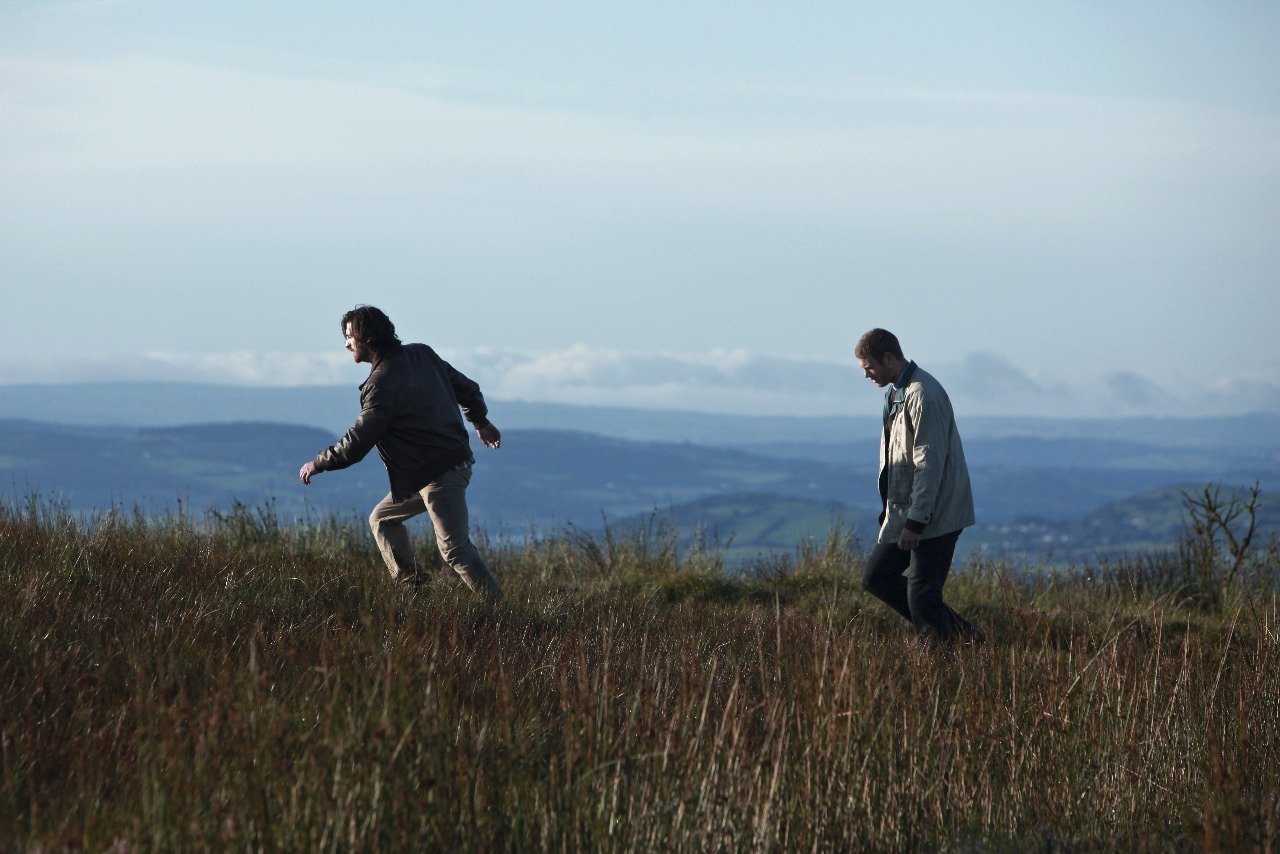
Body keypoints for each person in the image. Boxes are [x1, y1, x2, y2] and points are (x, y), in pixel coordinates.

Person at [299, 305, 502, 597]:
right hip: (435, 469)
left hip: (440, 474)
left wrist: (318, 463)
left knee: (455, 550)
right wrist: (481, 422)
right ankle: (415, 591)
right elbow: (468, 389)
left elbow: (357, 442)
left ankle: (499, 611)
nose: (346, 344)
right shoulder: (422, 354)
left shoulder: (381, 385)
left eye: (349, 336)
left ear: (366, 338)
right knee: (382, 519)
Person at [855, 328, 982, 645]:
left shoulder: (922, 395)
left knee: (922, 595)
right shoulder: (898, 393)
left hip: (936, 514)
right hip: (907, 511)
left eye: (869, 367)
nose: (867, 375)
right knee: (877, 578)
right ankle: (966, 637)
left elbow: (929, 464)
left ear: (888, 357)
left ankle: (938, 658)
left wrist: (916, 521)